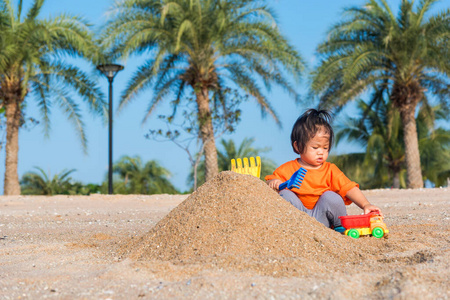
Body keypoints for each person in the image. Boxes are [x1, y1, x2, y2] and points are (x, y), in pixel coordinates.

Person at [265, 109, 382, 232]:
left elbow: (349, 188)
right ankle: (286, 229)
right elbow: (267, 183)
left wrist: (366, 204)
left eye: (325, 148)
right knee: (285, 194)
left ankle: (339, 228)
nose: (321, 152)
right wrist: (274, 183)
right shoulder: (288, 168)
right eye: (315, 147)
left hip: (322, 219)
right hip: (297, 217)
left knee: (331, 197)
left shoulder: (330, 170)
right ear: (298, 146)